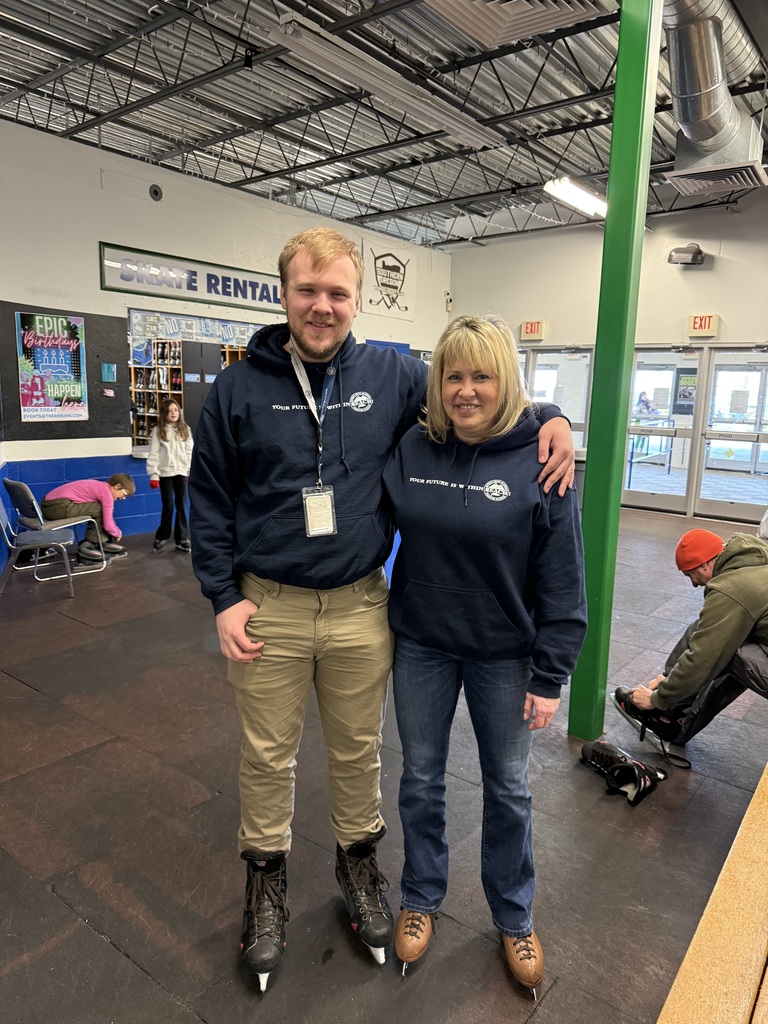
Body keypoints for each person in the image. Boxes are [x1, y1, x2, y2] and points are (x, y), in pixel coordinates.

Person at [187, 226, 575, 992]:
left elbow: (479, 388)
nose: (322, 306)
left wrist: (553, 413)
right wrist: (223, 595)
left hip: (366, 605)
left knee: (362, 754)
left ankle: (360, 872)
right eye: (308, 291)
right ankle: (265, 887)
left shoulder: (394, 374)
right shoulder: (238, 388)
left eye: (338, 293)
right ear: (284, 293)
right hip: (269, 606)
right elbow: (207, 499)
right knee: (269, 755)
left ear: (358, 299)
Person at [381, 314, 587, 997]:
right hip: (423, 645)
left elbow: (563, 577)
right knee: (420, 781)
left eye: (483, 375)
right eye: (454, 375)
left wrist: (551, 672)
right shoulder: (411, 443)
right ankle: (420, 893)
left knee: (509, 791)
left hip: (505, 654)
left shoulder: (543, 457)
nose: (466, 390)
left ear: (509, 382)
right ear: (437, 382)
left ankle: (514, 913)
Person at [615, 528, 768, 747]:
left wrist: (657, 699)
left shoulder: (733, 589)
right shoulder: (753, 557)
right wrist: (668, 680)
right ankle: (672, 704)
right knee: (710, 629)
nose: (694, 584)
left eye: (691, 574)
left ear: (705, 564)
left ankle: (668, 715)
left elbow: (704, 657)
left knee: (727, 649)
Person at [40, 474, 135, 560]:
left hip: (49, 506)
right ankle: (88, 546)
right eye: (125, 494)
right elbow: (108, 525)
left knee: (97, 507)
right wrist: (117, 533)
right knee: (98, 508)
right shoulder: (106, 493)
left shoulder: (101, 486)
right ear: (117, 486)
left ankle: (101, 541)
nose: (123, 498)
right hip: (56, 507)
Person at [147, 398, 194, 553]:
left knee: (181, 505)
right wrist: (154, 474)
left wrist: (188, 470)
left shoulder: (185, 429)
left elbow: (189, 452)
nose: (173, 413)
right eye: (169, 411)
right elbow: (153, 454)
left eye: (175, 410)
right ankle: (162, 535)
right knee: (168, 505)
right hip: (165, 474)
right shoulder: (158, 430)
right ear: (164, 414)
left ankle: (182, 538)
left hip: (181, 473)